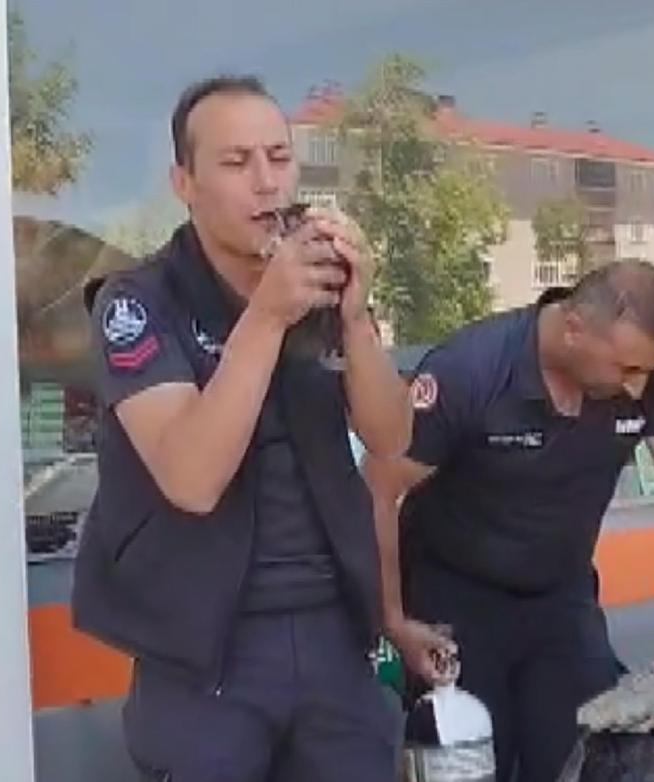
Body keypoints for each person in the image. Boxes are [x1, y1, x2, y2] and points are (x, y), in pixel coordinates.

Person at [72, 74, 412, 782]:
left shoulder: (317, 282)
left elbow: (392, 438)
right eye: (236, 162)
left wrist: (355, 320)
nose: (267, 182)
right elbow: (191, 479)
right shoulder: (138, 302)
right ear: (185, 184)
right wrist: (266, 317)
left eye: (279, 158)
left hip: (333, 635)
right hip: (205, 655)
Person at [363, 261, 654, 782]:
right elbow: (377, 487)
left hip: (560, 597)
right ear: (573, 330)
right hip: (455, 599)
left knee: (588, 760)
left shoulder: (652, 370)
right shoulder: (471, 372)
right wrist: (393, 619)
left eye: (646, 371)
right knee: (471, 763)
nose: (639, 388)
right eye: (626, 370)